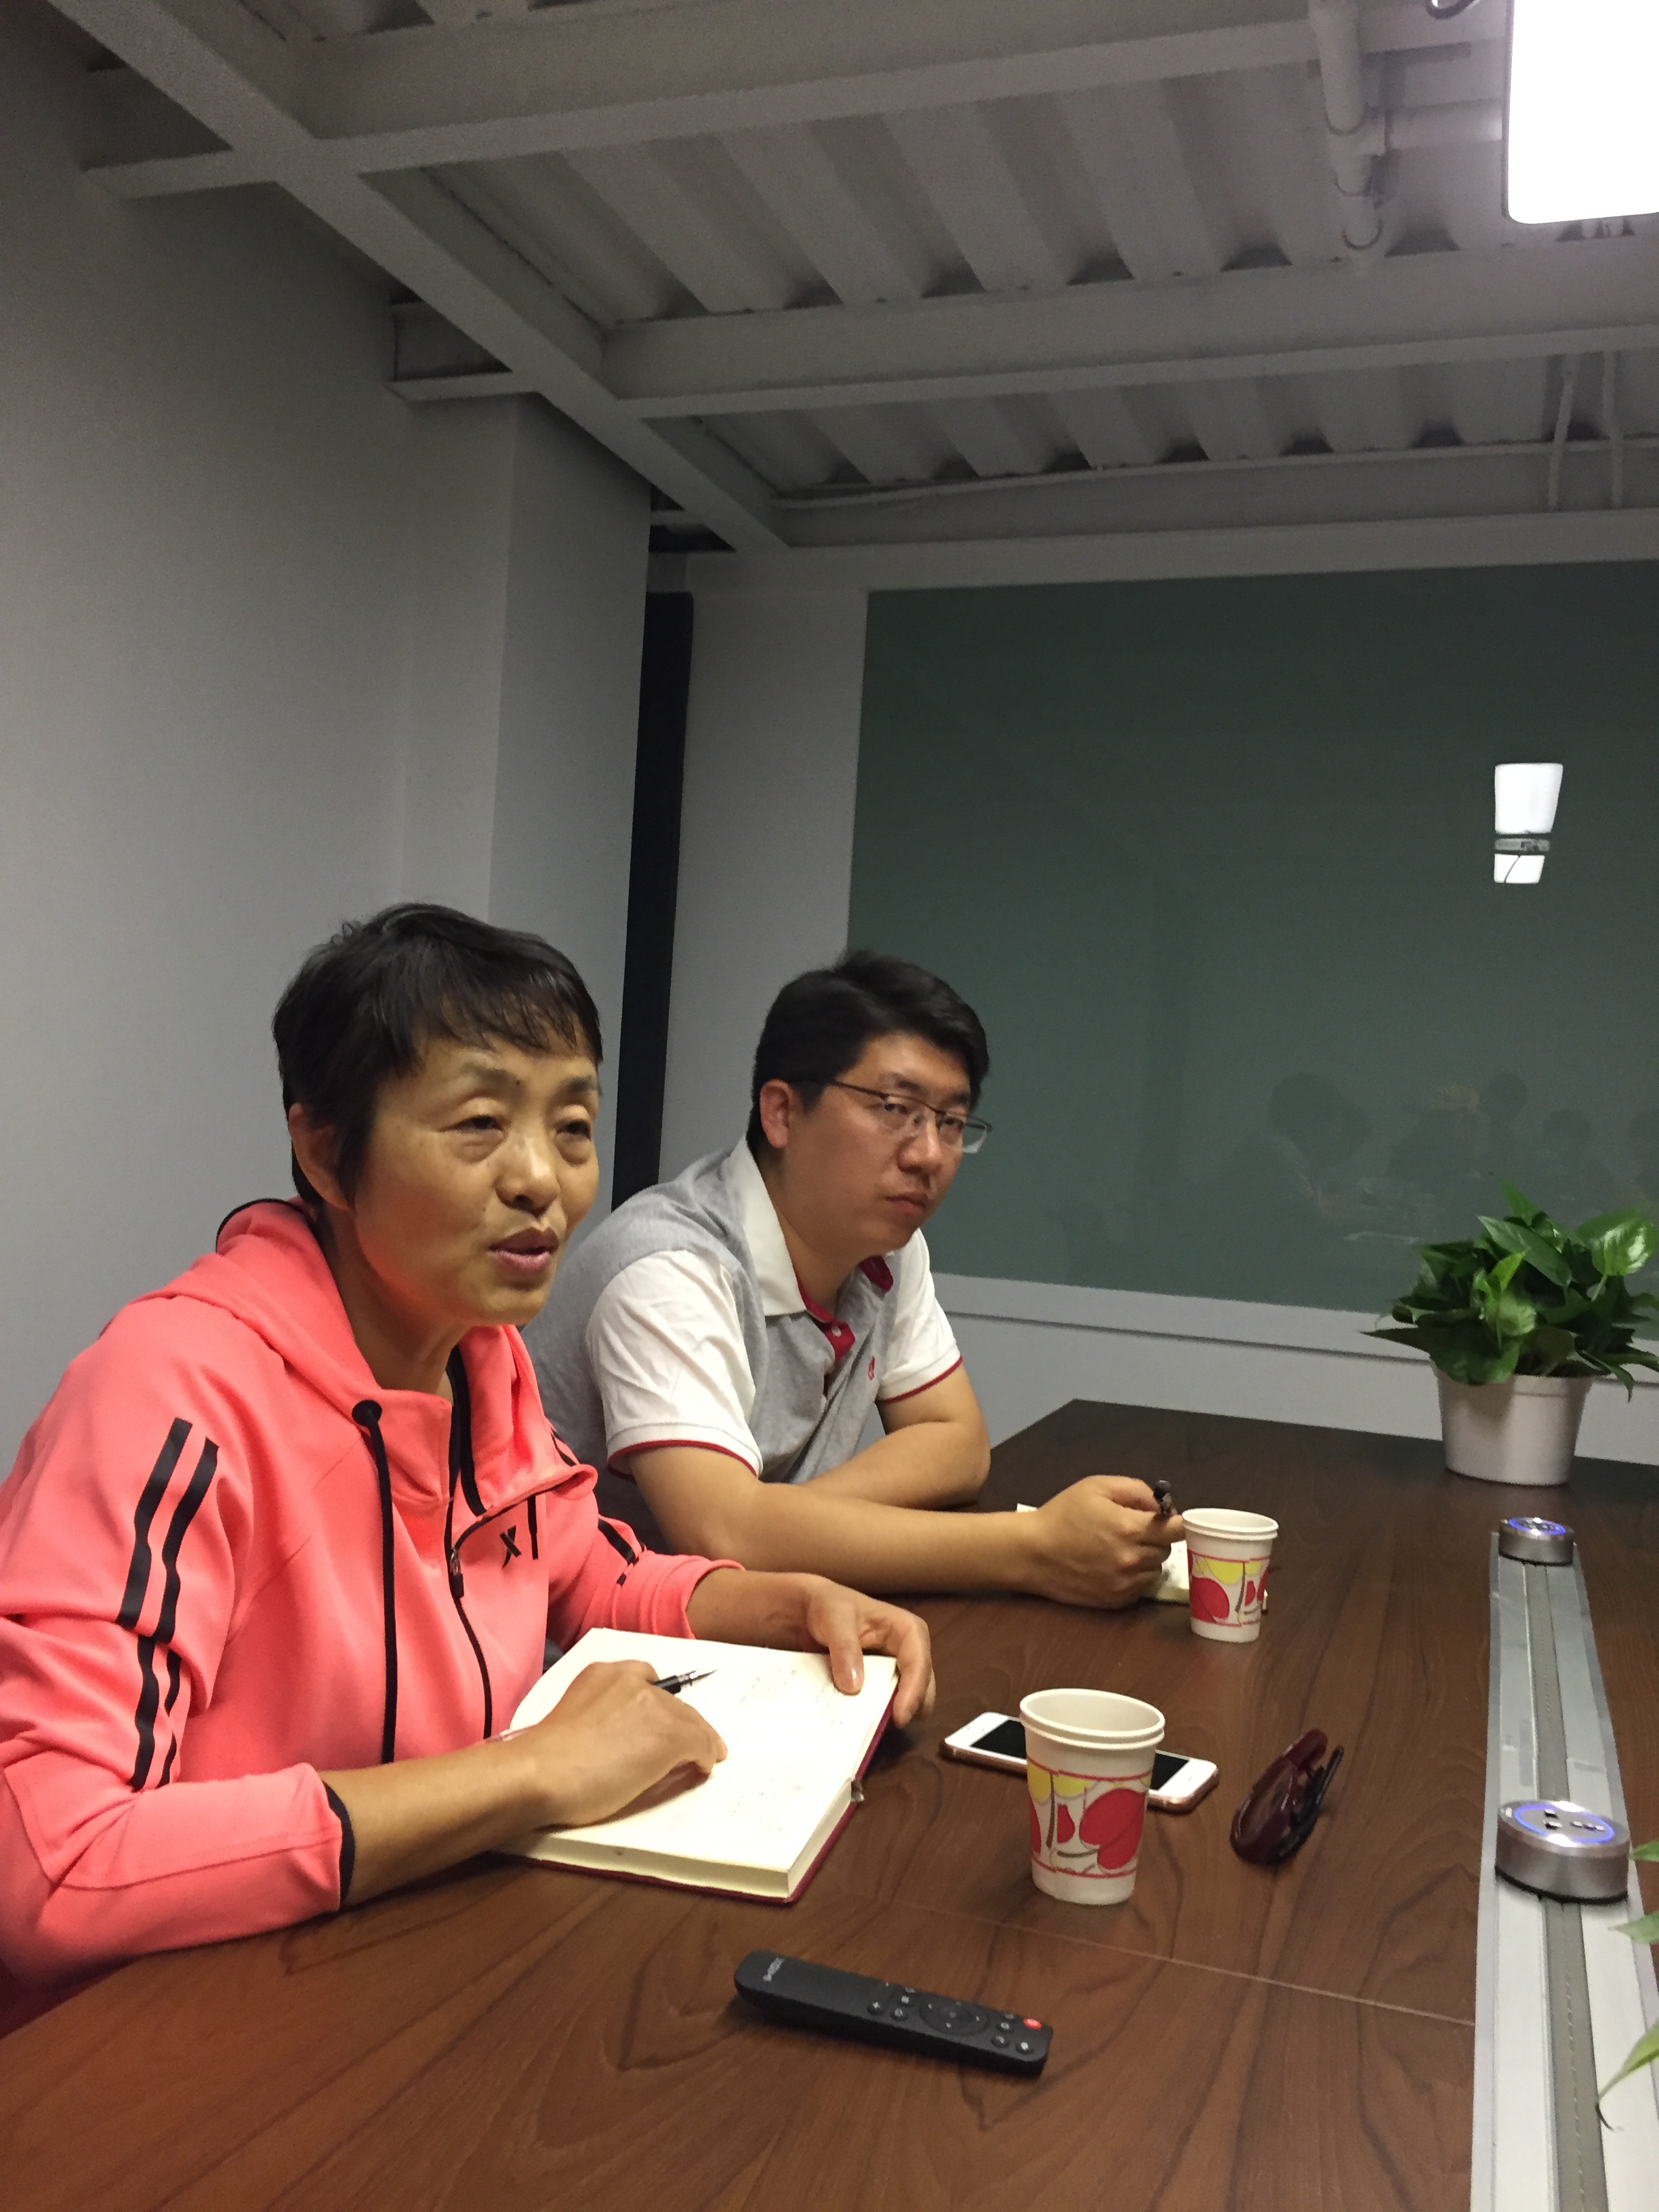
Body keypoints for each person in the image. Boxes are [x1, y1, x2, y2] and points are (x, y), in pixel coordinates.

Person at [0, 907, 932, 1984]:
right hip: (169, 2016)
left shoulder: (479, 1356)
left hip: (400, 1953)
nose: (542, 1178)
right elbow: (50, 1866)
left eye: (572, 1126)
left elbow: (581, 1570)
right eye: (480, 1123)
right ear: (326, 1151)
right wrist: (528, 1773)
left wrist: (779, 1606)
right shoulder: (172, 1392)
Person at [531, 951, 1179, 1608]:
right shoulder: (669, 1266)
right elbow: (723, 1534)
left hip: (753, 1621)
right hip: (591, 1647)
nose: (928, 1154)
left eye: (951, 1122)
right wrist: (1034, 1547)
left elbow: (957, 1443)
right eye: (895, 1108)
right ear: (782, 1112)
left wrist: (779, 1521)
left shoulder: (888, 1250)